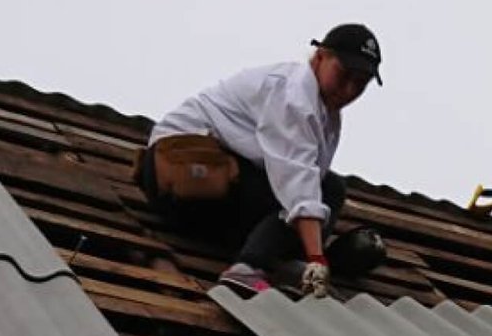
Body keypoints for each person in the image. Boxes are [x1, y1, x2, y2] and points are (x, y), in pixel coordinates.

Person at [138, 24, 389, 297]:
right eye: (344, 75)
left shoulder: (326, 115)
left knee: (327, 190)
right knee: (314, 195)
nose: (349, 89)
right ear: (319, 58)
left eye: (360, 84)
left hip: (208, 196)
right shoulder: (293, 94)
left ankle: (283, 262)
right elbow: (296, 184)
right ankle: (248, 268)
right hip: (181, 169)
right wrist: (317, 258)